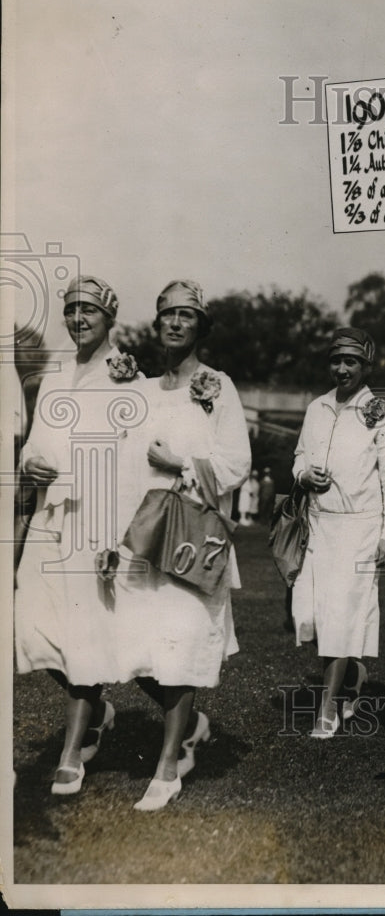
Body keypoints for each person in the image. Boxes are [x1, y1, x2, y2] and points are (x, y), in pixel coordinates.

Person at [116, 280, 251, 810]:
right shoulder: (144, 390)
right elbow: (127, 462)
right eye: (167, 315)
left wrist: (181, 465)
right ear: (156, 325)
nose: (175, 323)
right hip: (148, 533)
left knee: (180, 641)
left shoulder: (218, 386)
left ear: (201, 327)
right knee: (137, 650)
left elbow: (236, 463)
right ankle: (193, 725)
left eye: (187, 316)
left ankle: (168, 767)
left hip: (194, 534)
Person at [15, 275, 142, 794]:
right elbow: (33, 443)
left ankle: (73, 752)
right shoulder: (53, 374)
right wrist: (31, 465)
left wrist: (115, 537)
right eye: (71, 310)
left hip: (95, 520)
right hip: (50, 518)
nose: (77, 319)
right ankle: (100, 710)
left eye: (89, 310)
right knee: (29, 628)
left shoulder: (125, 376)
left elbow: (132, 463)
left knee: (84, 636)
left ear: (110, 318)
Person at [291, 327, 385, 737]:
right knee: (311, 614)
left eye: (351, 361)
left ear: (366, 366)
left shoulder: (379, 411)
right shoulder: (317, 407)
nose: (342, 369)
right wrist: (303, 474)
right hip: (318, 522)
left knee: (339, 614)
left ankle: (327, 707)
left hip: (361, 526)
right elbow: (299, 453)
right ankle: (352, 677)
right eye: (336, 360)